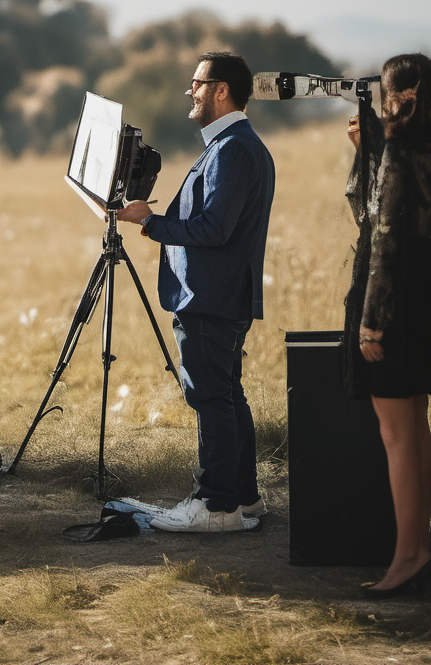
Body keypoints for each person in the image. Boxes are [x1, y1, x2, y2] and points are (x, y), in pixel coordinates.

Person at [117, 51, 275, 533]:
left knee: (210, 398)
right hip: (219, 294)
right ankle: (243, 501)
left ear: (221, 90)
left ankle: (216, 505)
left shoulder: (232, 149)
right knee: (227, 396)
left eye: (198, 82)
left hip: (210, 295)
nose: (191, 90)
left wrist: (151, 222)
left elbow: (215, 228)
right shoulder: (233, 145)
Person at [343, 52, 431, 597]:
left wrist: (371, 327)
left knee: (396, 438)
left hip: (392, 309)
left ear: (401, 99)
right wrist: (368, 151)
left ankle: (407, 557)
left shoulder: (397, 154)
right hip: (424, 301)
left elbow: (381, 238)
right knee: (416, 429)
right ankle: (421, 548)